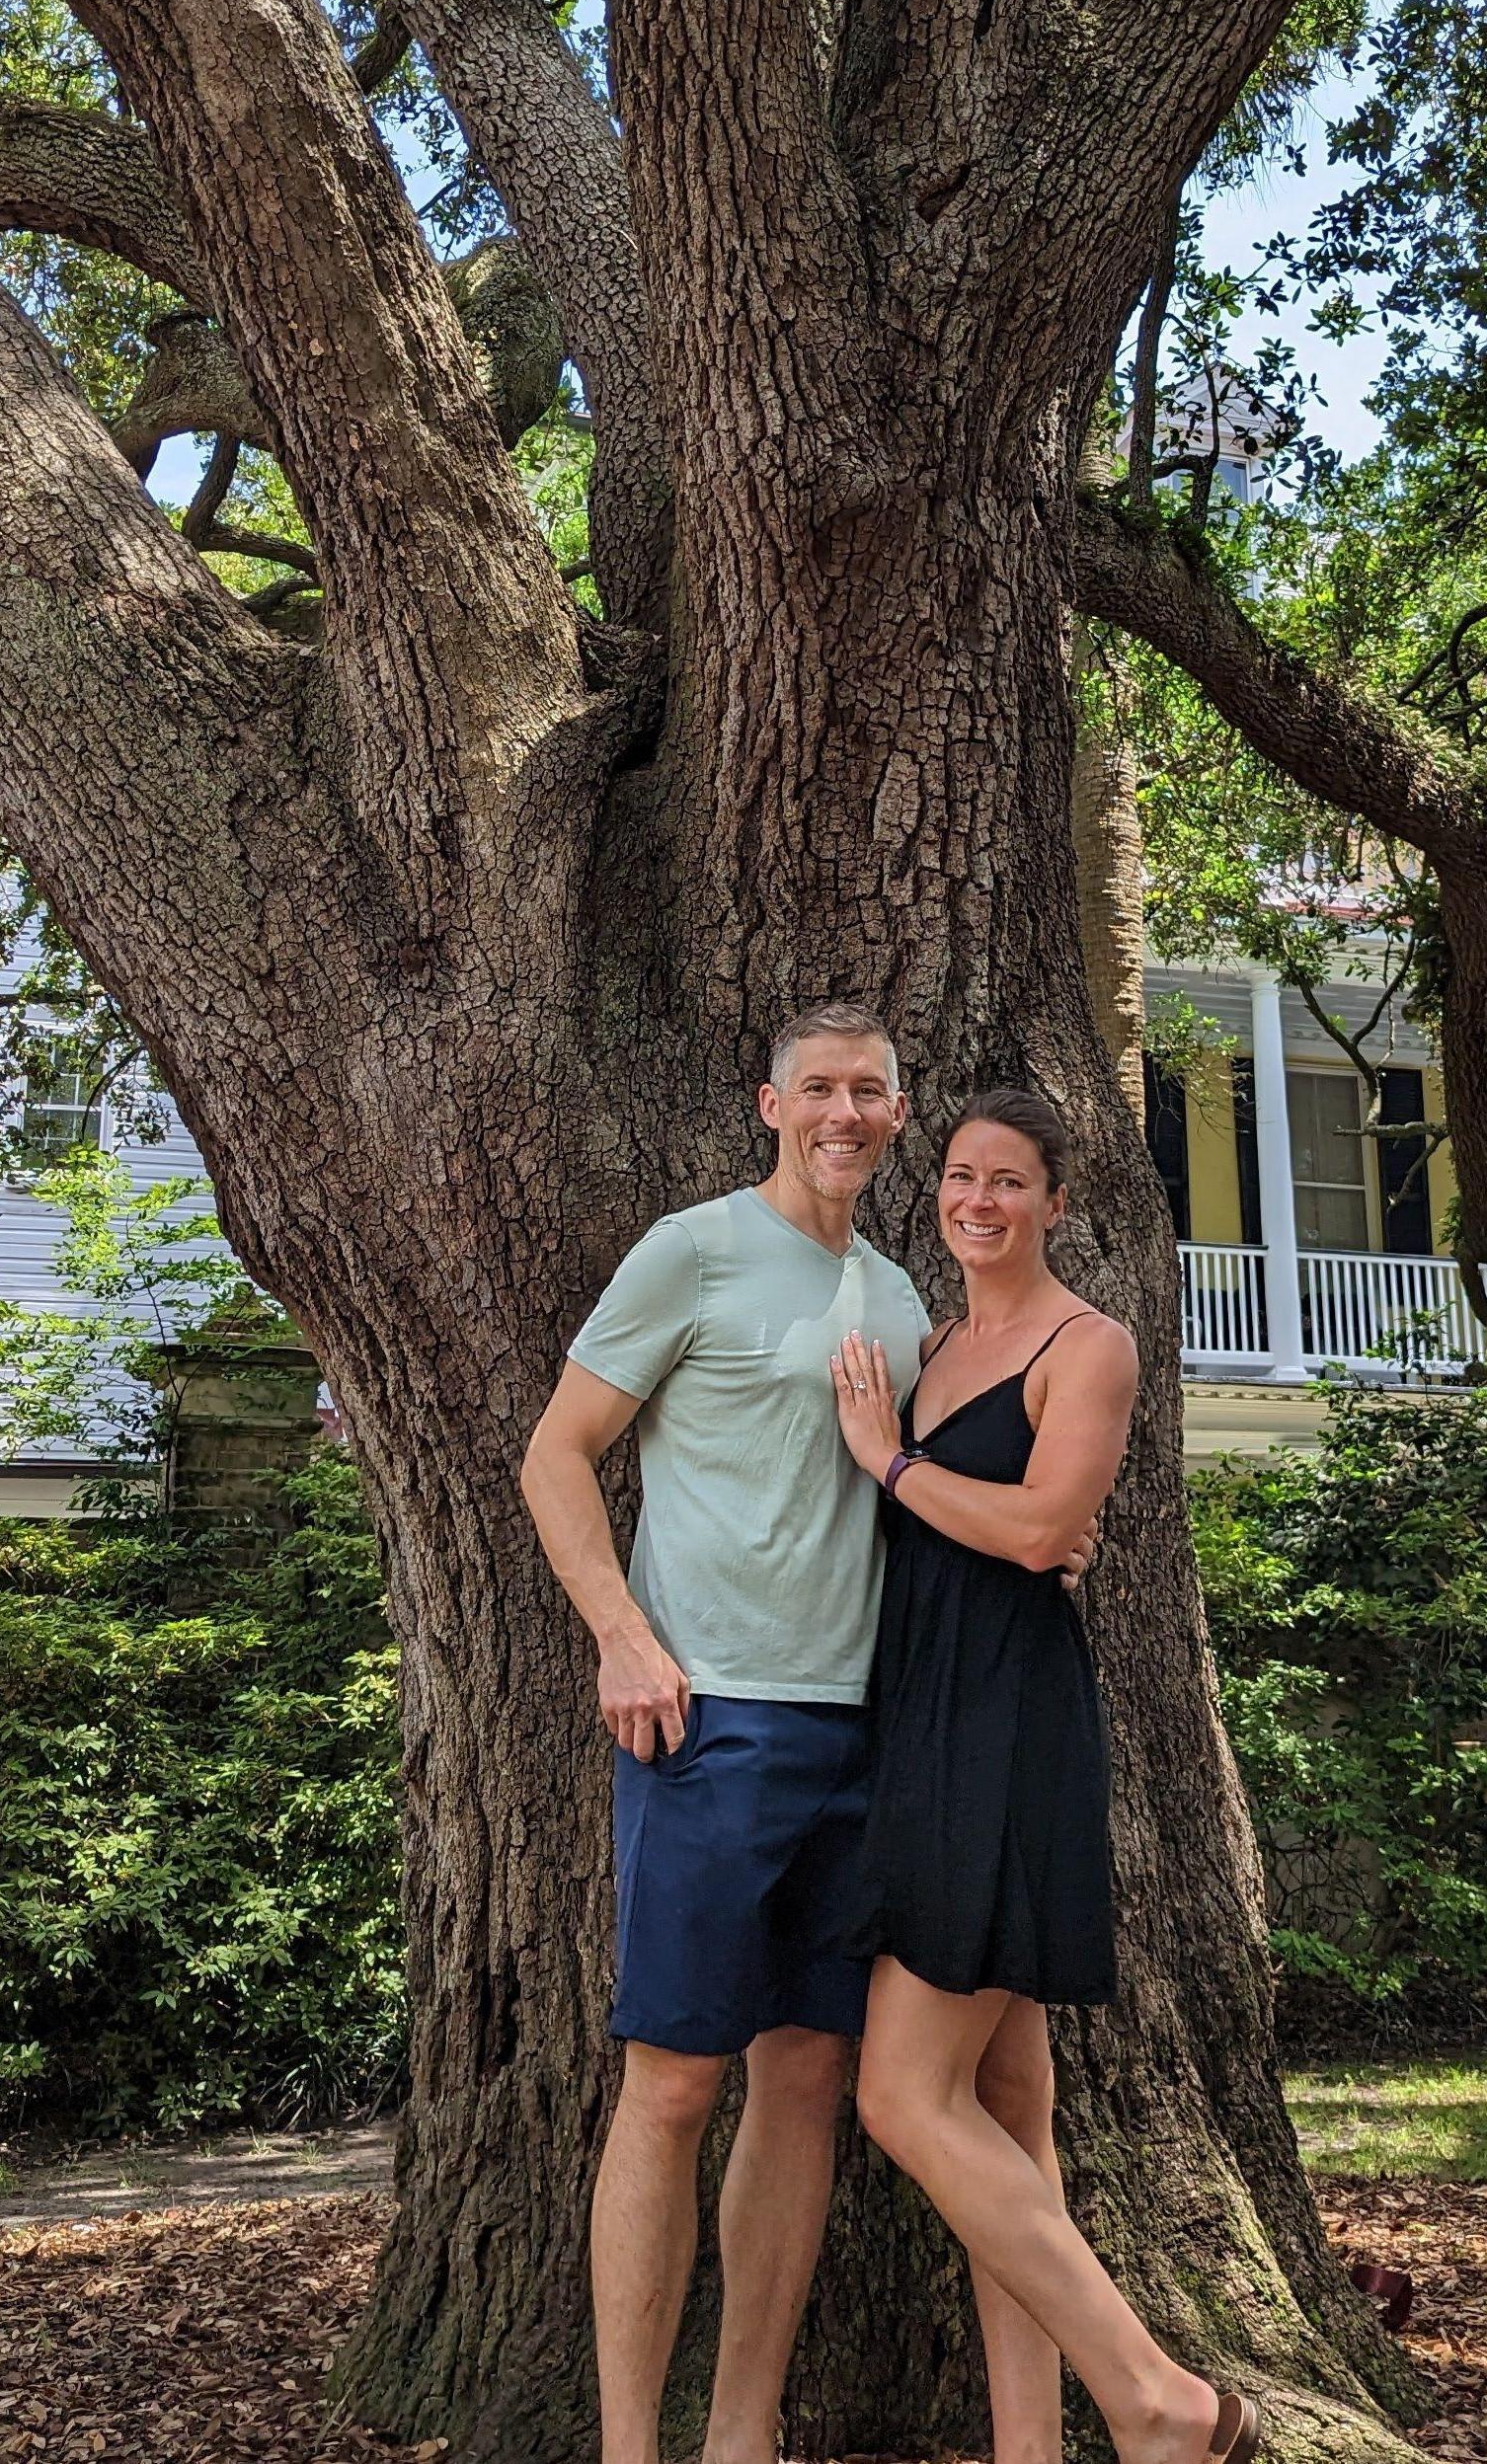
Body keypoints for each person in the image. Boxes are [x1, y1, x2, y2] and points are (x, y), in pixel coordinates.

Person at [518, 1003, 931, 2464]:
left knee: (807, 2077)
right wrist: (624, 1639)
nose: (843, 1111)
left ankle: (739, 2435)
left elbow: (913, 1503)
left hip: (861, 1730)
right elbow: (554, 1453)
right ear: (769, 1104)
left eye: (867, 1089)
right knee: (676, 2079)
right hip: (708, 1716)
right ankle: (633, 2447)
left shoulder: (898, 1298)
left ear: (897, 1112)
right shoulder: (689, 1248)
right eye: (816, 1086)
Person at [832, 1089, 1260, 2464]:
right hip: (915, 1719)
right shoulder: (939, 1339)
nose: (978, 1200)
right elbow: (975, 1530)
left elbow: (1038, 1532)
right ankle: (1033, 2447)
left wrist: (891, 1463)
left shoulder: (1090, 1345)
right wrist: (908, 1472)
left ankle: (1161, 2403)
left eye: (1009, 1181)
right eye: (960, 1176)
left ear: (1057, 1202)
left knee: (903, 2097)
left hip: (1006, 1733)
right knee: (1011, 2109)